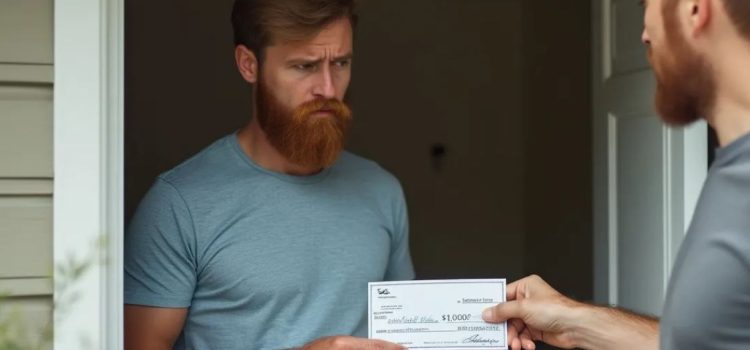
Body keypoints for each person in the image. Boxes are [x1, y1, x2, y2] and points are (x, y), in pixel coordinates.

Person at [123, 1, 413, 349]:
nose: (329, 89)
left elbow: (407, 337)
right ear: (249, 64)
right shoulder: (179, 205)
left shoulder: (382, 191)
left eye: (341, 63)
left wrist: (488, 332)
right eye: (304, 66)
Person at [482, 0, 750, 349]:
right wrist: (572, 320)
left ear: (694, 9)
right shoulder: (731, 172)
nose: (643, 35)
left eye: (647, 5)